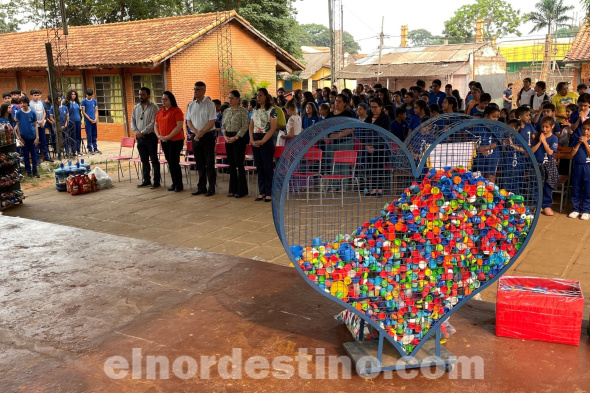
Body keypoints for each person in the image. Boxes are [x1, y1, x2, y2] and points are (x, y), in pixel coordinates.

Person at [186, 81, 217, 196]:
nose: (195, 91)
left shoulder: (210, 104)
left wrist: (202, 132)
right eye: (194, 89)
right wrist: (195, 132)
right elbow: (188, 120)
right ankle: (201, 186)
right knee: (199, 164)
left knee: (209, 163)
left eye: (198, 89)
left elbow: (211, 121)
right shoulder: (191, 105)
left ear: (204, 90)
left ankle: (211, 187)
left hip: (207, 136)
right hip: (195, 136)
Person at [249, 88, 277, 202]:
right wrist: (251, 139)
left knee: (267, 167)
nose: (258, 97)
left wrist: (263, 140)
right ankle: (262, 192)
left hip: (266, 139)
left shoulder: (272, 110)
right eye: (257, 95)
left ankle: (269, 192)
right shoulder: (254, 110)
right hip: (255, 138)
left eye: (260, 95)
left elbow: (273, 127)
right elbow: (251, 125)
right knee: (259, 167)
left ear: (266, 96)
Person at [154, 91, 184, 192]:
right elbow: (156, 125)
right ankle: (174, 183)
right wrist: (158, 135)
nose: (163, 101)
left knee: (174, 161)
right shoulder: (160, 111)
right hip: (164, 140)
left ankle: (179, 184)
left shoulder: (176, 111)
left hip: (175, 140)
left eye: (165, 99)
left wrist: (168, 136)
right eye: (162, 99)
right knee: (170, 162)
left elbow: (179, 126)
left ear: (171, 100)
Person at [222, 90, 249, 198]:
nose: (230, 100)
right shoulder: (226, 111)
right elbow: (223, 125)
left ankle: (241, 190)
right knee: (231, 164)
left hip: (238, 138)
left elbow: (245, 126)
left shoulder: (243, 111)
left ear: (238, 99)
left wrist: (236, 137)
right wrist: (224, 136)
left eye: (232, 98)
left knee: (239, 163)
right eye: (229, 98)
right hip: (228, 137)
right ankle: (232, 189)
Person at [131, 86, 160, 189]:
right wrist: (137, 132)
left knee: (154, 159)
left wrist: (143, 132)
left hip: (150, 136)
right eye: (139, 94)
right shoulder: (136, 107)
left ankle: (156, 181)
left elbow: (153, 123)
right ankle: (146, 180)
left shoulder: (154, 107)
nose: (140, 96)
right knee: (144, 160)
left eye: (143, 94)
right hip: (139, 137)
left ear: (148, 95)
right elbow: (132, 122)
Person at [362, 97, 391, 196]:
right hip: (369, 147)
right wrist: (367, 145)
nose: (373, 109)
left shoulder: (385, 118)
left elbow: (385, 134)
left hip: (380, 147)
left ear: (381, 107)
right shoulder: (368, 118)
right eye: (372, 107)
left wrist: (374, 146)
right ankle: (373, 188)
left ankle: (380, 189)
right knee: (372, 168)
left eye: (375, 107)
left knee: (380, 167)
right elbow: (364, 132)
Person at [532, 116, 559, 216]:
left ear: (552, 126)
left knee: (547, 186)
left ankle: (546, 205)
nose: (544, 129)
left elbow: (550, 152)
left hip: (548, 166)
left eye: (547, 127)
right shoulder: (537, 136)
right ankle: (537, 205)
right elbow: (532, 151)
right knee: (537, 186)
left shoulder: (554, 138)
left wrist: (544, 141)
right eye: (543, 127)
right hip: (537, 165)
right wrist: (539, 141)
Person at [569, 119, 590, 220]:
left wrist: (585, 143)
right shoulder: (577, 139)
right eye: (584, 129)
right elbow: (572, 154)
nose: (585, 131)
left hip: (588, 167)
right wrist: (579, 143)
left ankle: (586, 210)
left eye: (588, 129)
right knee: (576, 188)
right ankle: (575, 209)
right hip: (577, 166)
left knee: (587, 189)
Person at [14, 96, 39, 178]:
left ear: (27, 103)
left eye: (24, 103)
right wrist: (19, 137)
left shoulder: (32, 113)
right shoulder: (18, 113)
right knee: (25, 155)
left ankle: (35, 170)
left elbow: (35, 125)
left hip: (32, 137)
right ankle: (28, 171)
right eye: (21, 103)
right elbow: (17, 126)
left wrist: (37, 137)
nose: (23, 105)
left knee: (34, 154)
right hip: (24, 137)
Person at [29, 89, 51, 162]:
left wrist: (42, 121)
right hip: (34, 125)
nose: (36, 97)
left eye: (37, 95)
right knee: (36, 141)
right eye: (34, 95)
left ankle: (46, 156)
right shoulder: (30, 104)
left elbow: (44, 112)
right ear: (31, 96)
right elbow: (30, 115)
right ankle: (37, 158)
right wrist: (37, 122)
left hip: (42, 124)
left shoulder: (41, 103)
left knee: (43, 141)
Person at [81, 88, 100, 154]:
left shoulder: (94, 101)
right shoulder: (84, 101)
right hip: (88, 121)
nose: (90, 97)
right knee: (89, 134)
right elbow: (83, 112)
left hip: (94, 120)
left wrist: (96, 118)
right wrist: (89, 119)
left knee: (94, 134)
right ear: (86, 95)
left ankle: (95, 148)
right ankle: (89, 148)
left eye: (91, 95)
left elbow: (96, 110)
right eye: (89, 95)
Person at [66, 90, 82, 156]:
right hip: (71, 121)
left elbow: (79, 112)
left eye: (74, 94)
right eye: (72, 94)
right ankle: (73, 150)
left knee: (78, 136)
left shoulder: (77, 103)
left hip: (78, 120)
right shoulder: (67, 103)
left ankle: (78, 150)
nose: (73, 95)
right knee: (73, 136)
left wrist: (81, 119)